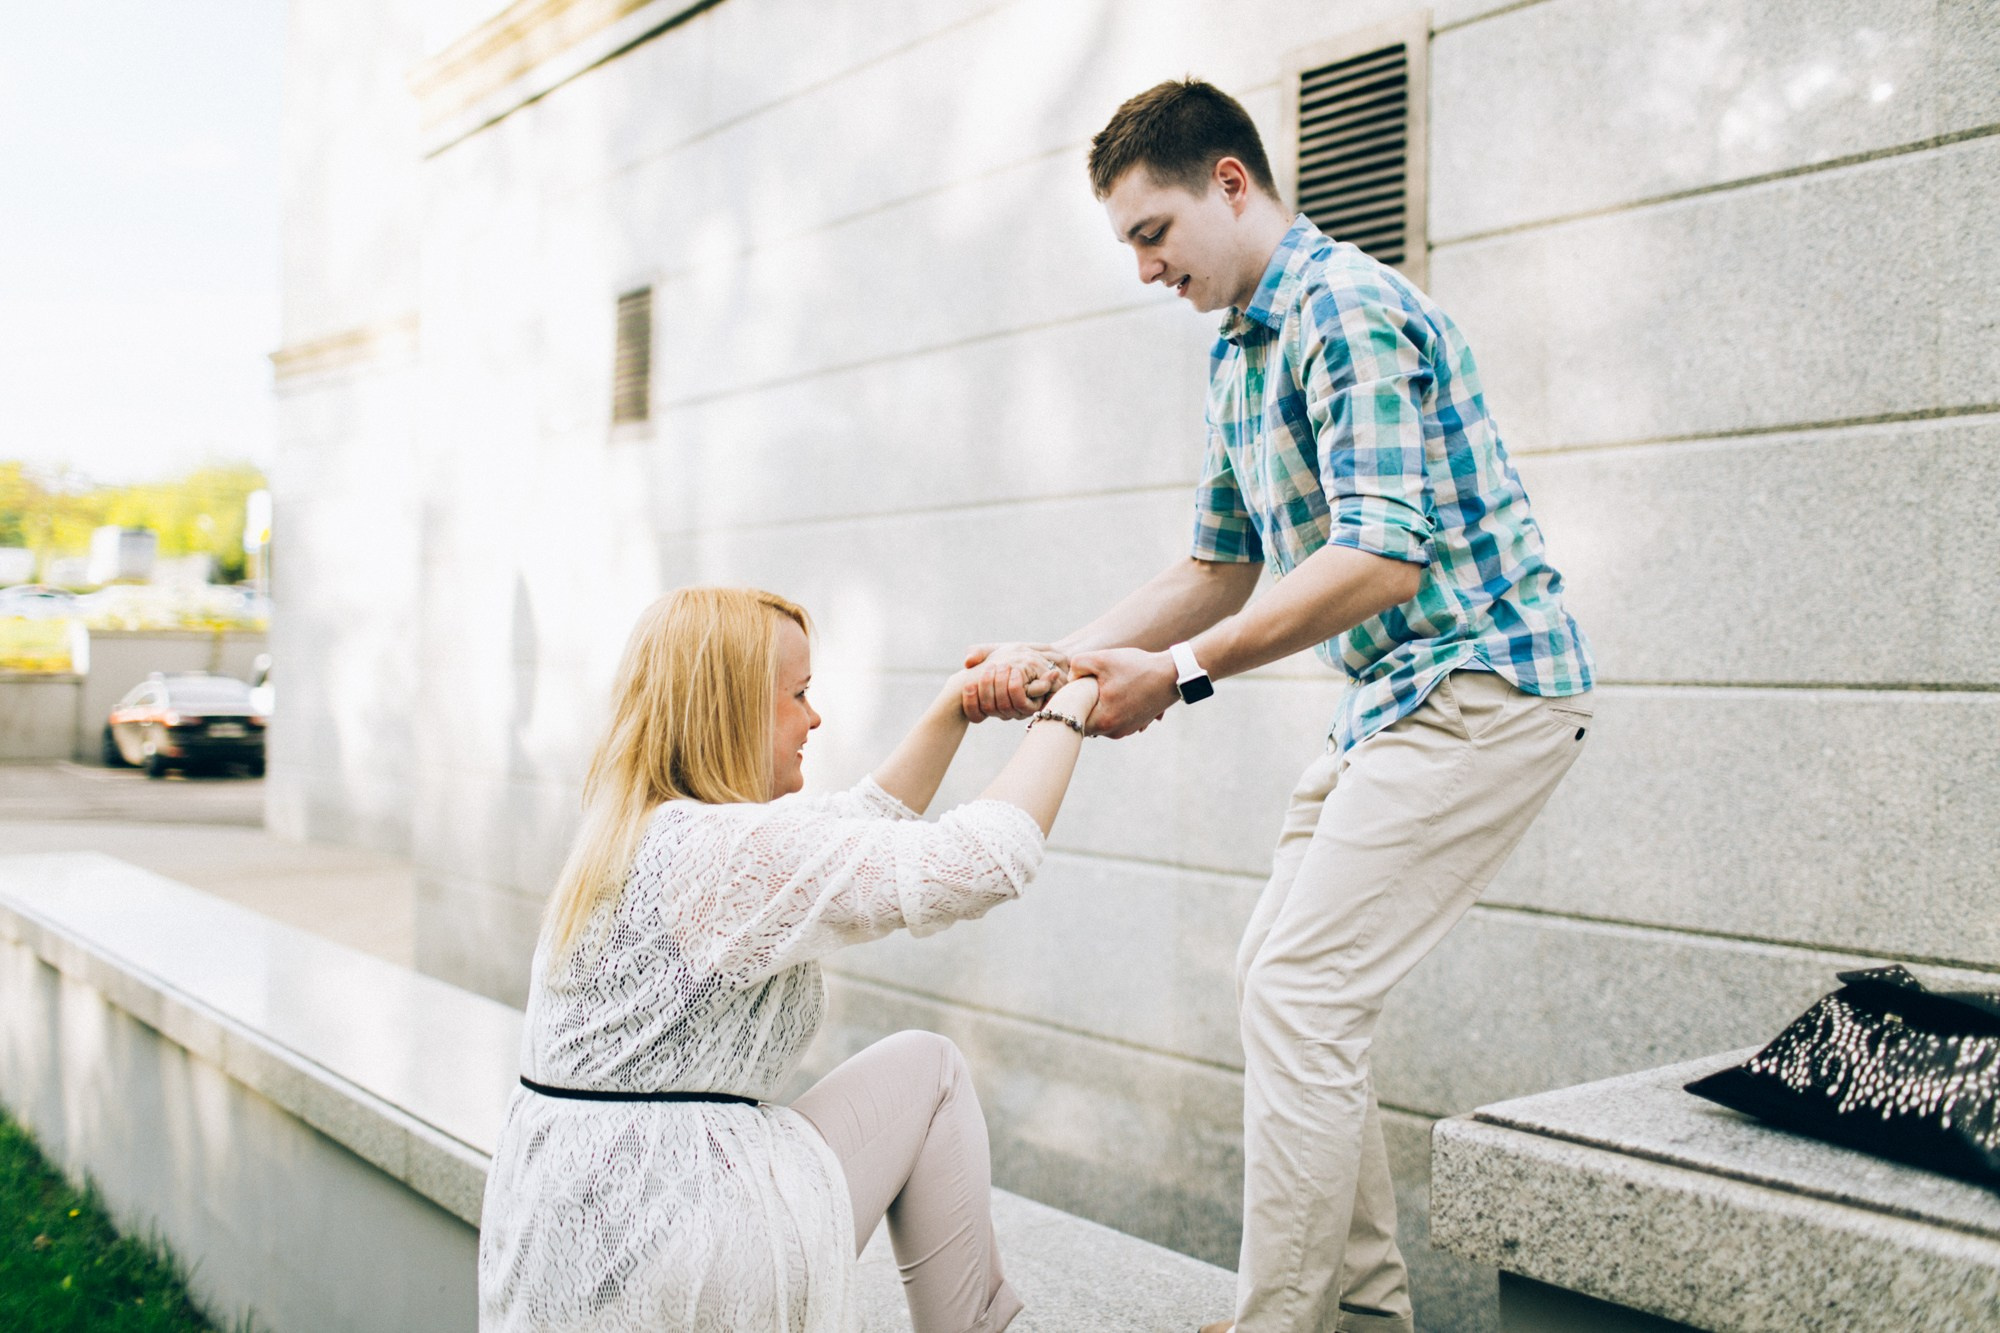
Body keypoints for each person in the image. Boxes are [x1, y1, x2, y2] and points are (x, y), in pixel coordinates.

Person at [962, 80, 1595, 1333]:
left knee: (1302, 988)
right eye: (1128, 245)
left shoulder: (1343, 311)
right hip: (1395, 702)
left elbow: (1378, 560)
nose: (1144, 268)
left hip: (1485, 685)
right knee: (1280, 977)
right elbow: (1214, 566)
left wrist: (1184, 674)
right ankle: (1359, 1312)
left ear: (1231, 185)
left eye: (1153, 233)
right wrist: (1062, 652)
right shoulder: (1239, 347)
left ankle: (1284, 1324)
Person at [478, 585, 1099, 1333]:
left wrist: (956, 707)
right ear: (731, 706)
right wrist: (1076, 701)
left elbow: (851, 825)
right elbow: (982, 862)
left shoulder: (644, 834)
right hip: (687, 1247)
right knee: (929, 1070)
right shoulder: (721, 852)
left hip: (575, 1256)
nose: (816, 716)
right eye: (799, 693)